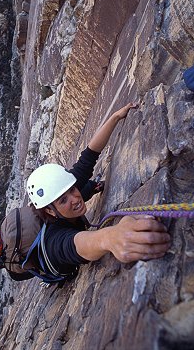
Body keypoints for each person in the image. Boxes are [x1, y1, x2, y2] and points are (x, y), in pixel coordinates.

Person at [27, 103, 171, 277]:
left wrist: (116, 117)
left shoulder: (64, 189)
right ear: (50, 210)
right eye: (63, 200)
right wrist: (110, 237)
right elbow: (75, 244)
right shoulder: (53, 241)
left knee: (88, 187)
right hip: (58, 266)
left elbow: (89, 155)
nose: (75, 198)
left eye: (73, 190)